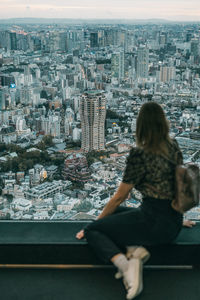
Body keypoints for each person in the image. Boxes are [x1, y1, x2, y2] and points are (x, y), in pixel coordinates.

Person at [76, 101, 195, 300]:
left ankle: (127, 269)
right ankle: (136, 251)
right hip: (173, 222)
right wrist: (178, 219)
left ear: (140, 126)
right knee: (116, 216)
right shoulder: (172, 145)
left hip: (152, 224)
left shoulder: (140, 154)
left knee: (93, 230)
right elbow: (178, 186)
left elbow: (119, 197)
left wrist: (95, 223)